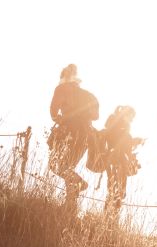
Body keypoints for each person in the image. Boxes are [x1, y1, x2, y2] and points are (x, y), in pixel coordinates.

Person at [48, 64, 99, 213]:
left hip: (69, 132)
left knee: (56, 165)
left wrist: (61, 119)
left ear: (63, 78)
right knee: (68, 167)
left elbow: (53, 111)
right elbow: (96, 116)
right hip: (86, 135)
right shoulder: (90, 95)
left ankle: (79, 183)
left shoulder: (61, 89)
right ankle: (70, 206)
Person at [103, 106, 143, 214]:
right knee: (115, 189)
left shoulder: (118, 124)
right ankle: (109, 217)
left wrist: (136, 141)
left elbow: (124, 142)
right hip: (116, 160)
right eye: (131, 116)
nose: (132, 119)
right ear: (126, 114)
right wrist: (135, 141)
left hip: (117, 160)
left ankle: (110, 216)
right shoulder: (118, 124)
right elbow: (121, 141)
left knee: (116, 190)